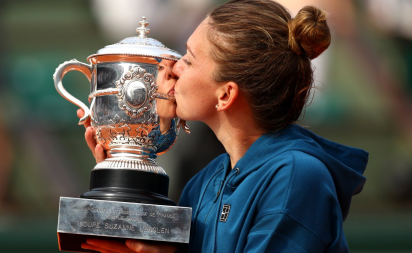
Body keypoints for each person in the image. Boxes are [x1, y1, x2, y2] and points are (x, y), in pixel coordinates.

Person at [78, 0, 368, 252]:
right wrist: (120, 170)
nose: (174, 69)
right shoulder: (205, 181)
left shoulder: (296, 177)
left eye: (188, 60)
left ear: (226, 94)